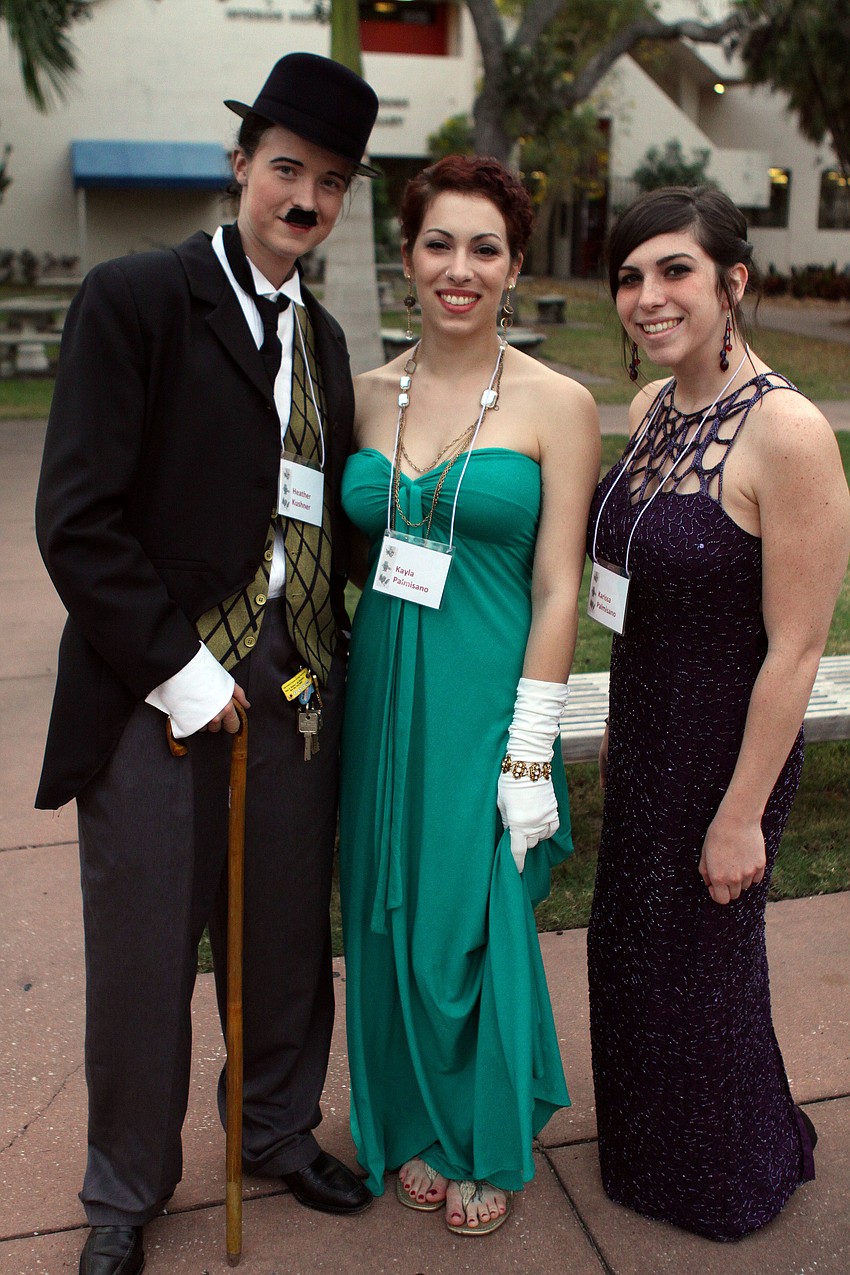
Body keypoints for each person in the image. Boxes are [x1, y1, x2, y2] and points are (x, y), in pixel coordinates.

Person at [35, 53, 379, 1275]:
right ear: (241, 165)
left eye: (330, 182)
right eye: (288, 168)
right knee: (141, 956)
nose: (306, 197)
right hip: (157, 689)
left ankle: (274, 1132)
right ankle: (124, 1189)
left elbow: (331, 516)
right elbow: (77, 522)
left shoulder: (325, 339)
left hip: (294, 690)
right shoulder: (138, 298)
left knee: (285, 938)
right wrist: (180, 671)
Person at [338, 155, 601, 1236]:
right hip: (380, 696)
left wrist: (530, 746)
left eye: (483, 247)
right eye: (439, 244)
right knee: (388, 911)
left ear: (512, 263)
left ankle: (485, 1130)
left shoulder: (560, 401)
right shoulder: (360, 394)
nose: (460, 268)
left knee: (472, 917)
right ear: (405, 259)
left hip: (489, 696)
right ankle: (407, 1116)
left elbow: (556, 583)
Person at [586, 185, 850, 1240]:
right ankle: (650, 1160)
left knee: (701, 976)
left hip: (726, 752)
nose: (645, 297)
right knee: (628, 958)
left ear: (731, 282)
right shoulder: (655, 411)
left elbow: (796, 647)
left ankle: (728, 1175)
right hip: (641, 733)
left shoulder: (787, 433)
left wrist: (741, 815)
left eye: (674, 271)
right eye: (629, 276)